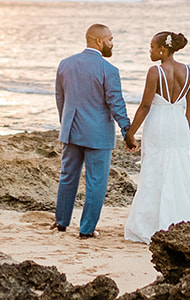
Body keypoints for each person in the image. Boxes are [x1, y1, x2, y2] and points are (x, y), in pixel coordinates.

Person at [122, 30, 190, 243]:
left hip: (159, 123)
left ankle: (154, 222)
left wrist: (130, 133)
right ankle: (186, 215)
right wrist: (183, 129)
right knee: (180, 167)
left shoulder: (155, 71)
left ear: (163, 50)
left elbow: (145, 106)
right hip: (179, 125)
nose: (150, 51)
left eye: (152, 47)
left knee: (155, 168)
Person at [53, 23, 134, 239]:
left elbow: (60, 98)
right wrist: (127, 131)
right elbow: (116, 103)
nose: (112, 44)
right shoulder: (109, 70)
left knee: (67, 176)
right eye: (110, 40)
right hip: (98, 135)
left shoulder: (65, 64)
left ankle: (61, 223)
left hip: (71, 130)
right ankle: (86, 230)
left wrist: (66, 123)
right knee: (96, 182)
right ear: (99, 41)